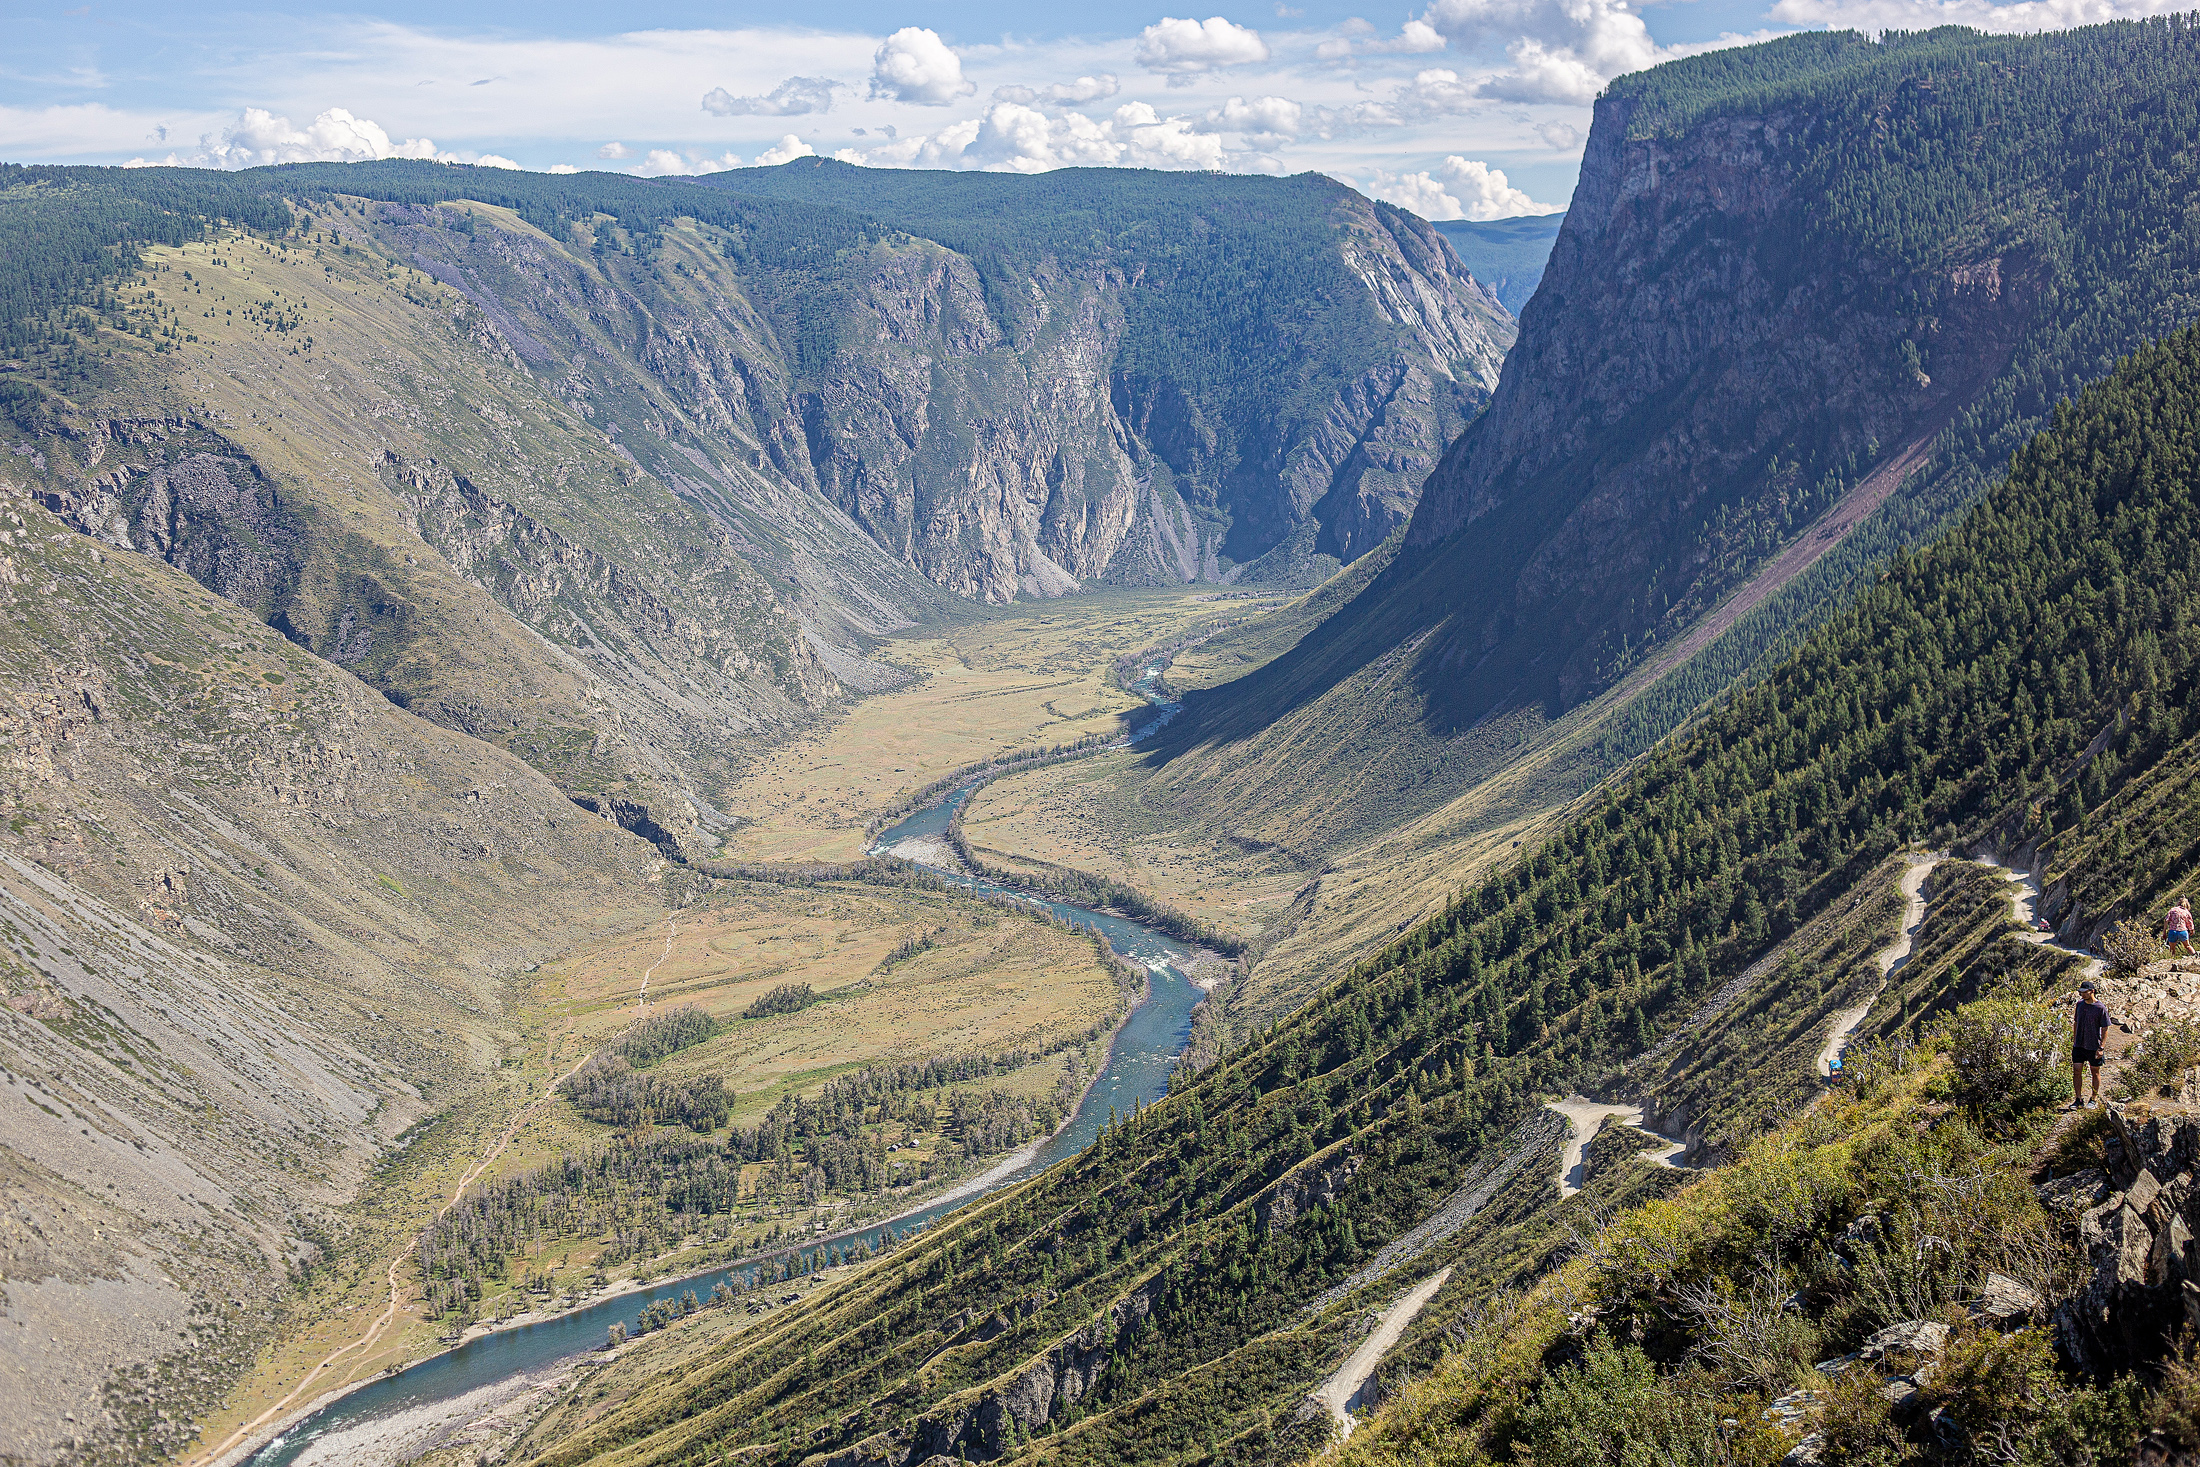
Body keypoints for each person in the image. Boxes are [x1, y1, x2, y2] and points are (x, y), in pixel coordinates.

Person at [2072, 980, 2110, 1109]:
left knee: (2095, 1071)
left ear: (2092, 991)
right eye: (2080, 992)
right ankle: (2078, 1099)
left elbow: (2105, 1028)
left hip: (2093, 1045)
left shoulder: (2100, 1008)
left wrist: (2101, 1047)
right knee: (2077, 1070)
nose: (2082, 994)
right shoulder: (2079, 1005)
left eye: (2084, 992)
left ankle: (2093, 1099)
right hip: (2079, 1045)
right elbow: (2076, 1022)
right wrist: (2074, 1040)